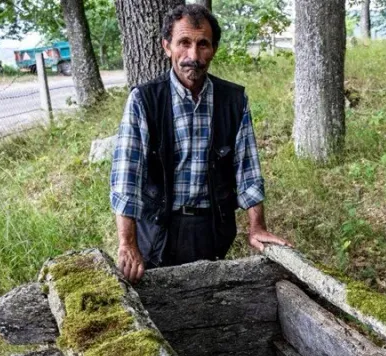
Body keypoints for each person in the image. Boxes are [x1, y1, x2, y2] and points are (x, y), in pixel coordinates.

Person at [109, 4, 289, 283]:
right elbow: (126, 179)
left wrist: (257, 226)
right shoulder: (144, 101)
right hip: (158, 229)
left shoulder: (234, 101)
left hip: (212, 229)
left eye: (203, 44)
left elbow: (248, 171)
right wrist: (127, 243)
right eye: (184, 43)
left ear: (214, 49)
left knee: (208, 299)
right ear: (167, 46)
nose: (193, 56)